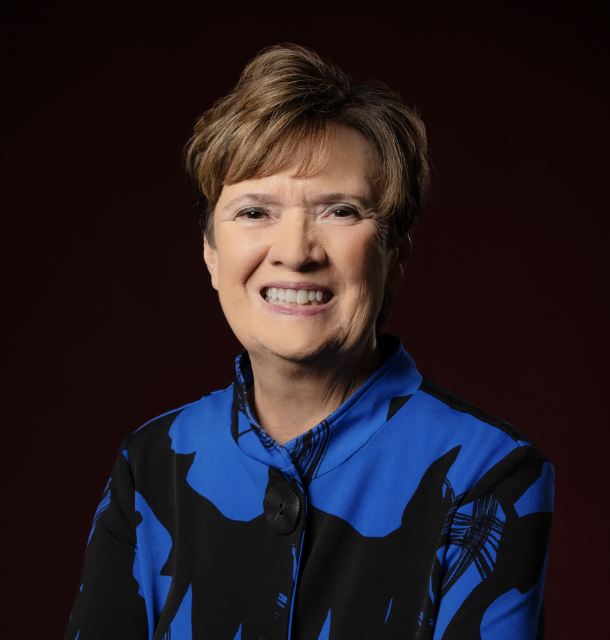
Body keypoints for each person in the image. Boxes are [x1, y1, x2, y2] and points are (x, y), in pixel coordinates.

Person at [65, 44, 554, 640]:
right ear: (211, 254)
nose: (296, 252)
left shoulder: (489, 473)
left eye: (340, 211)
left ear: (395, 254)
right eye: (254, 212)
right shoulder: (149, 464)